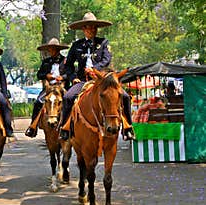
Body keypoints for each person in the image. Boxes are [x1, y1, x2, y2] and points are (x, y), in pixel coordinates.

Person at [59, 12, 134, 140]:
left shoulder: (103, 42)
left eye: (94, 27)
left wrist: (95, 69)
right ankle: (65, 128)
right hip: (82, 81)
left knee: (125, 96)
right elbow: (68, 65)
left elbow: (106, 59)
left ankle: (128, 127)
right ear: (83, 29)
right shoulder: (76, 45)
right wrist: (72, 78)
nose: (92, 29)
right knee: (67, 97)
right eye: (89, 27)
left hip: (103, 80)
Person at [25, 38, 70, 138]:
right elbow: (39, 74)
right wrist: (46, 75)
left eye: (53, 49)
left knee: (70, 101)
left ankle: (70, 125)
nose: (51, 51)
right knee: (38, 102)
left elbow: (71, 73)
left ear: (58, 50)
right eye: (49, 49)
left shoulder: (66, 61)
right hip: (49, 88)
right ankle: (33, 127)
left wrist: (62, 77)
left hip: (62, 87)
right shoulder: (46, 62)